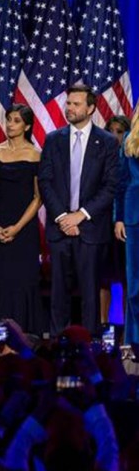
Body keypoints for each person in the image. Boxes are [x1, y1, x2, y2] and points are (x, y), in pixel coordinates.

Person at [38, 84, 119, 335]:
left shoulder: (106, 142)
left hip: (91, 229)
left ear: (91, 108)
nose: (69, 108)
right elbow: (45, 181)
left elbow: (110, 185)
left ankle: (90, 349)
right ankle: (57, 346)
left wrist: (80, 216)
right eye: (68, 103)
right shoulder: (53, 139)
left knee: (90, 294)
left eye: (76, 104)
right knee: (58, 292)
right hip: (60, 227)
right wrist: (63, 217)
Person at [0, 104, 45, 334]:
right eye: (8, 119)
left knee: (22, 280)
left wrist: (16, 228)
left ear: (27, 126)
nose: (10, 124)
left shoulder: (36, 155)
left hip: (24, 228)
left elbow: (39, 198)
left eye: (16, 120)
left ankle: (24, 334)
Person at [103, 115, 130, 325]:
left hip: (125, 226)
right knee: (104, 279)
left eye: (119, 132)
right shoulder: (100, 157)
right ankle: (105, 328)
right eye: (111, 131)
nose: (114, 136)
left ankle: (126, 331)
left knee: (127, 279)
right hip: (102, 225)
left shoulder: (131, 158)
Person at [115, 111, 139, 343]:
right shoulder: (131, 138)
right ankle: (134, 339)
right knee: (135, 284)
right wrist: (119, 218)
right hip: (134, 218)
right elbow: (121, 182)